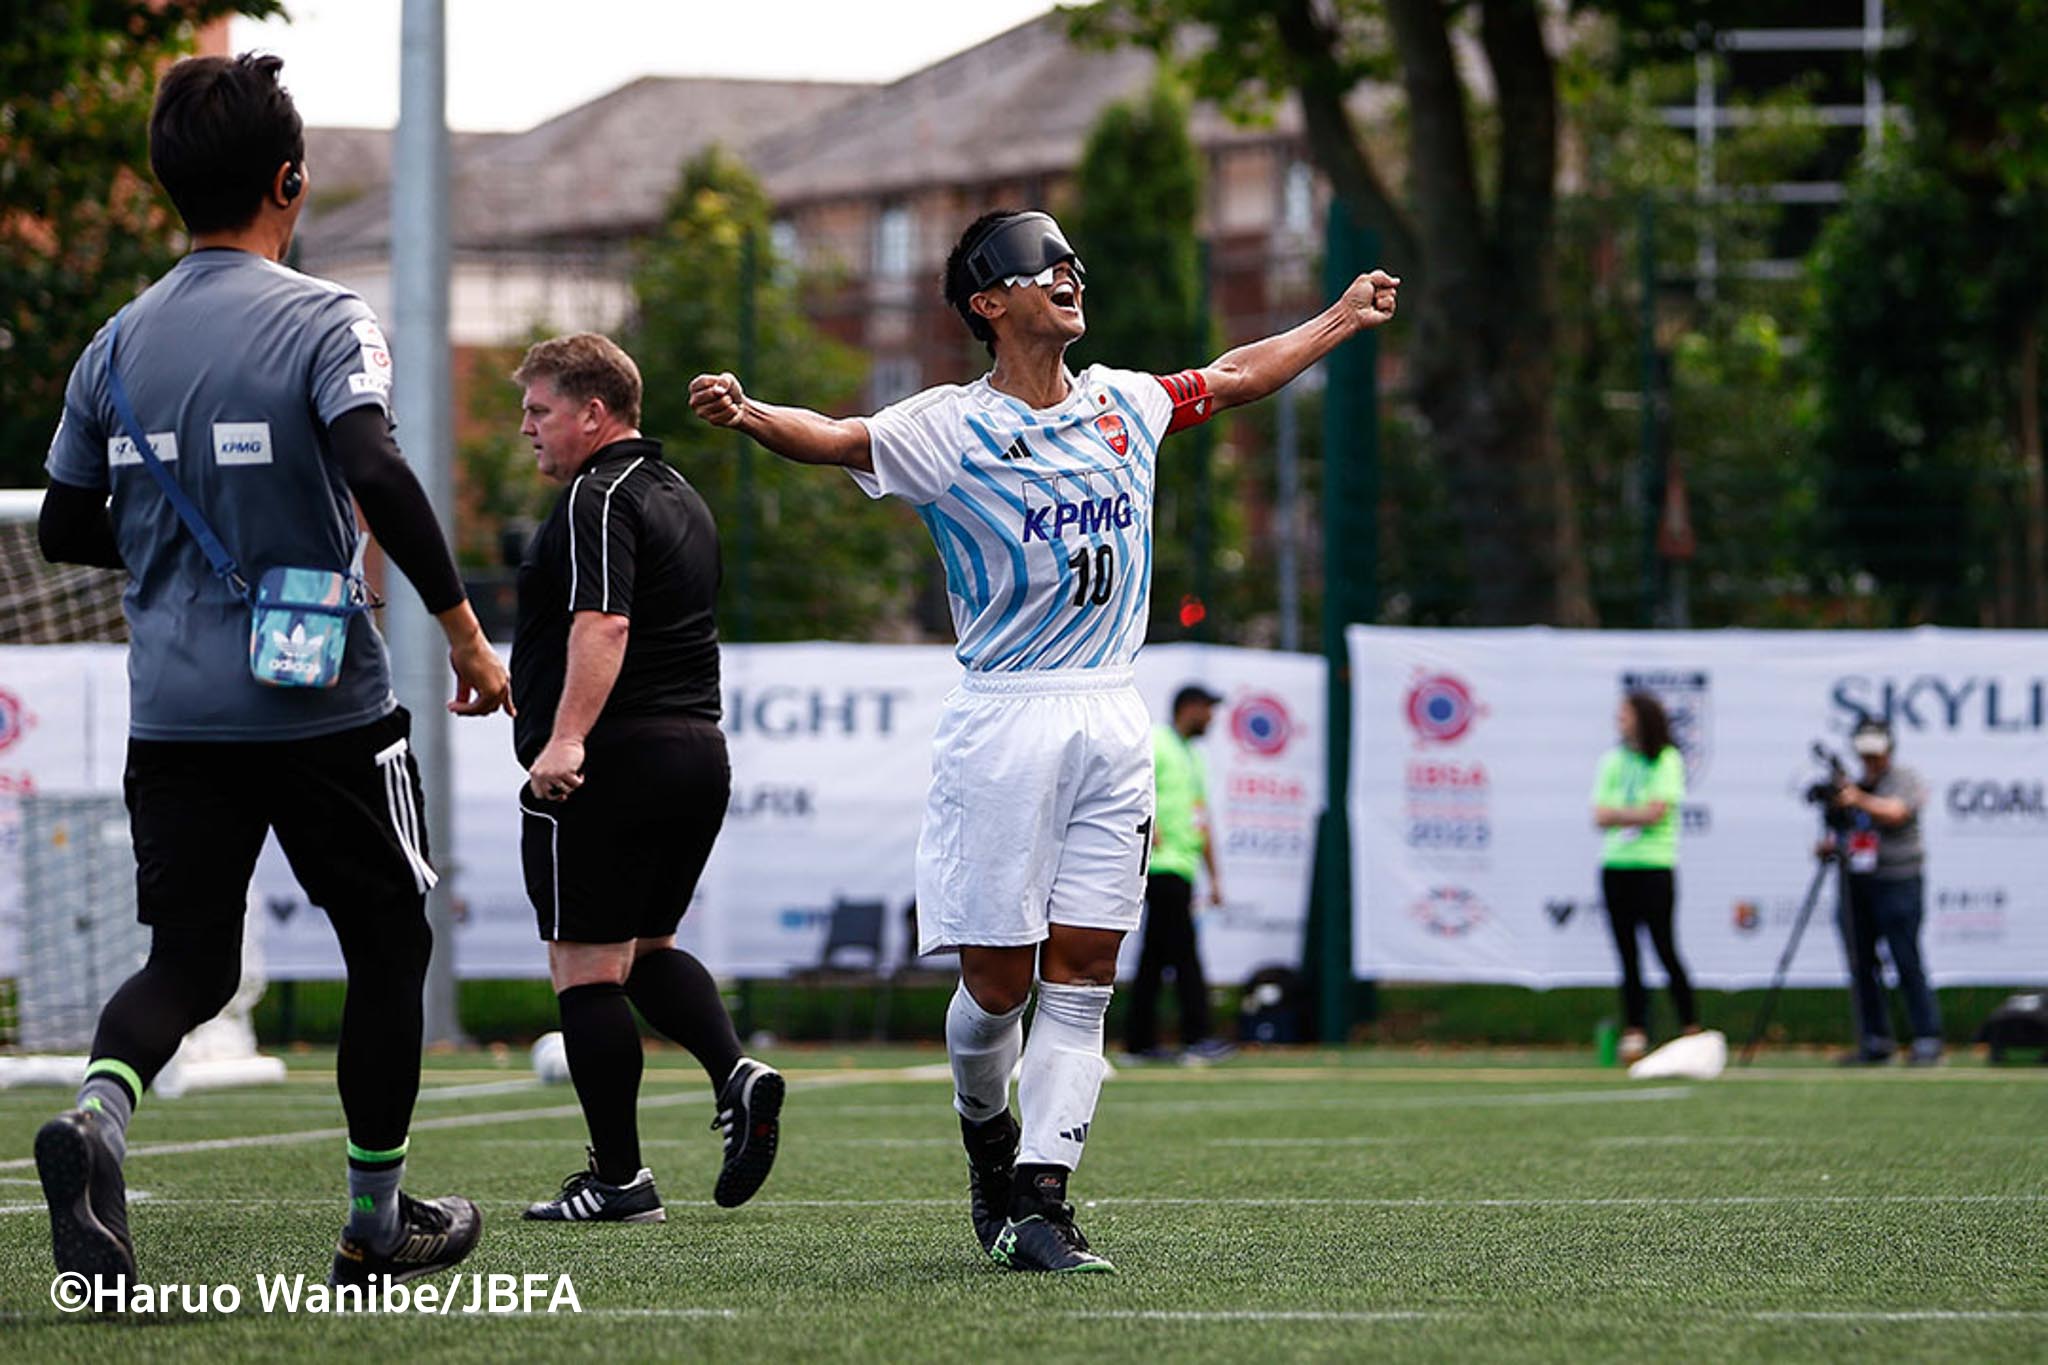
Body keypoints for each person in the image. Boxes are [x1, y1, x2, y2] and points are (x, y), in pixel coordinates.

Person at [690, 208, 1398, 1272]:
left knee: (1083, 978)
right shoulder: (946, 426)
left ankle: (1041, 1197)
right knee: (995, 989)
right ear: (987, 302)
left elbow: (1236, 375)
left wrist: (1338, 318)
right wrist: (748, 416)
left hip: (1109, 713)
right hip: (1004, 717)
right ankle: (987, 1141)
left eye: (1070, 258)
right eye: (1041, 265)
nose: (1070, 273)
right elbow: (836, 438)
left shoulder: (1122, 403)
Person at [34, 54, 510, 1288]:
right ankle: (374, 1221)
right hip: (323, 704)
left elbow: (64, 527)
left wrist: (171, 538)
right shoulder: (324, 319)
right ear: (290, 182)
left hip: (174, 707)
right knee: (390, 943)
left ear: (167, 186)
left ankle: (97, 1121)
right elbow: (376, 466)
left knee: (188, 963)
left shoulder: (115, 344)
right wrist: (461, 626)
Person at [508, 333, 783, 1223]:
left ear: (594, 413)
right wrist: (526, 688)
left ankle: (620, 1180)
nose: (527, 431)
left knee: (586, 971)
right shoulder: (679, 492)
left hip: (614, 758)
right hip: (695, 752)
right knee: (649, 951)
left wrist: (565, 739)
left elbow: (607, 624)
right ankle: (737, 1070)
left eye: (539, 410)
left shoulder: (600, 492)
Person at [1125, 683, 1233, 1062]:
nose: (1212, 717)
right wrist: (1146, 821)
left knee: (1155, 958)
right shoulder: (1157, 740)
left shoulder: (1193, 755)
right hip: (1161, 865)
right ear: (1189, 707)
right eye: (1208, 708)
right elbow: (1131, 783)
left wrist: (1214, 875)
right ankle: (1196, 1036)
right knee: (1185, 956)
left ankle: (1140, 1042)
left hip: (1181, 868)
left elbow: (1201, 820)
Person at [1591, 691, 1698, 1062]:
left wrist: (1622, 813)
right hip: (1617, 866)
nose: (1618, 720)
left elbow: (1656, 812)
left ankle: (1690, 1028)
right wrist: (1633, 813)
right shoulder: (1612, 761)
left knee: (1665, 948)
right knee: (1627, 955)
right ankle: (1635, 1031)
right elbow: (1599, 815)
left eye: (1625, 714)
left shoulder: (1667, 759)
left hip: (1654, 866)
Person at [1826, 718, 1941, 1065]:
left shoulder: (1903, 779)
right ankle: (1875, 1040)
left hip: (1898, 881)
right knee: (1861, 963)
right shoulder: (1857, 783)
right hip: (1858, 882)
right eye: (1865, 754)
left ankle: (1927, 1038)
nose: (1871, 760)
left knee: (1906, 959)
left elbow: (1896, 812)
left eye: (1876, 753)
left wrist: (1857, 799)